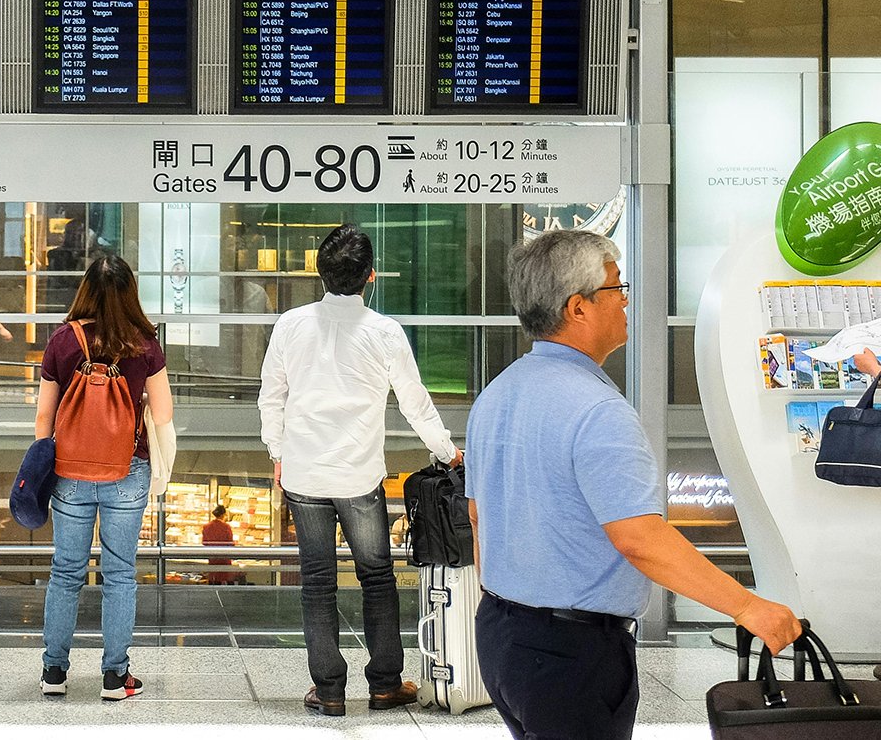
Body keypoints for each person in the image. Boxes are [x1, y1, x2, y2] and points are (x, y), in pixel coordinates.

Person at [466, 230, 801, 740]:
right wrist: (747, 606)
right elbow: (640, 538)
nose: (625, 300)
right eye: (616, 288)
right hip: (571, 653)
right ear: (578, 308)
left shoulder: (497, 392)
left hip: (500, 634)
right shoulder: (599, 411)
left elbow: (477, 516)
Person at [258, 223, 461, 716]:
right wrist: (446, 451)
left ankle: (328, 691)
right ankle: (386, 683)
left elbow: (272, 398)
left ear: (318, 273)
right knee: (376, 577)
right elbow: (416, 404)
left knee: (317, 582)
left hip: (304, 475)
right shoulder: (385, 332)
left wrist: (278, 453)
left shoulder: (290, 324)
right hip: (359, 477)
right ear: (370, 276)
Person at [35, 254, 173, 701]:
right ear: (130, 294)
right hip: (127, 468)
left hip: (70, 471)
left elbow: (43, 418)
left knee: (65, 572)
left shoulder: (63, 341)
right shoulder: (144, 344)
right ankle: (116, 677)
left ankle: (54, 672)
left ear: (85, 291)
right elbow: (166, 412)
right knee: (119, 574)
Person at [201, 504, 237, 585]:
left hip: (212, 557)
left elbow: (204, 542)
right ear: (223, 515)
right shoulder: (226, 527)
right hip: (224, 558)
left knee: (214, 576)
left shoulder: (206, 526)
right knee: (225, 577)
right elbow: (230, 542)